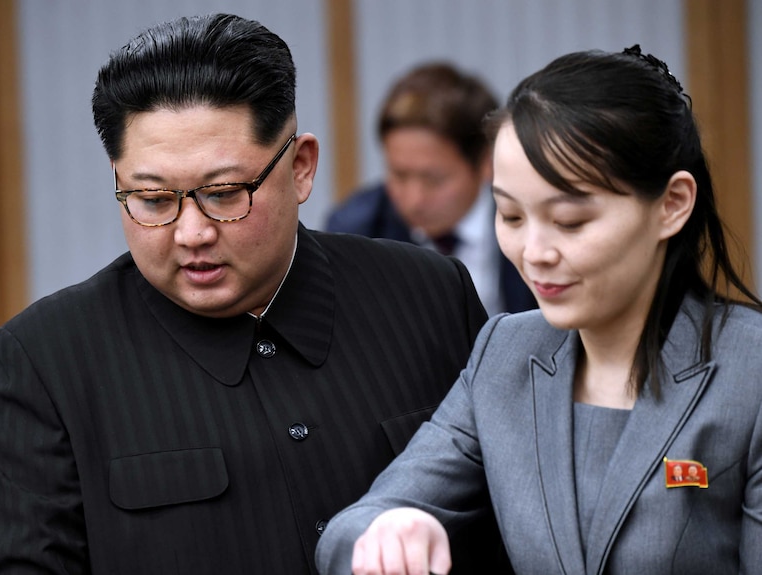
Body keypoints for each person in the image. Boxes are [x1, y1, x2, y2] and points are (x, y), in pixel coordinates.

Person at [0, 13, 509, 575]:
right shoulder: (46, 360)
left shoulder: (428, 296)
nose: (192, 232)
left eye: (225, 193)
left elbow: (514, 526)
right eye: (153, 200)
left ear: (300, 168)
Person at [316, 45, 762, 574]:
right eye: (510, 215)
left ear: (672, 204)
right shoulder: (506, 353)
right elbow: (353, 528)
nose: (535, 252)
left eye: (570, 221)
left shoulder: (748, 371)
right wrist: (387, 530)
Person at [325, 62, 536, 315]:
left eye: (434, 180)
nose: (414, 200)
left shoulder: (534, 222)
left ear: (485, 163)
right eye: (399, 175)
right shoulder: (356, 233)